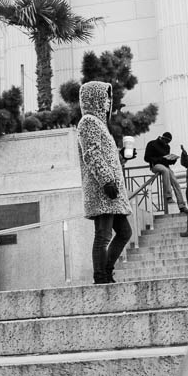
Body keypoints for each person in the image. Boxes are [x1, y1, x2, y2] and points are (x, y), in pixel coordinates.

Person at [77, 81, 132, 284]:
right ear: (94, 99)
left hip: (111, 192)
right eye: (106, 98)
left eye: (110, 99)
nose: (109, 103)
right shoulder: (88, 122)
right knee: (103, 235)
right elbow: (91, 154)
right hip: (103, 190)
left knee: (124, 232)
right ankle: (100, 276)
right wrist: (106, 180)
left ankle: (106, 271)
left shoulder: (100, 125)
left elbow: (106, 156)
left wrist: (123, 157)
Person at [144, 132, 187, 212]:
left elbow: (167, 160)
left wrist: (172, 160)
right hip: (155, 165)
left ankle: (182, 205)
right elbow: (146, 158)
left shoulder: (167, 147)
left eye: (168, 142)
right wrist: (160, 159)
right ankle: (168, 196)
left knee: (176, 182)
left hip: (165, 165)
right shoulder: (152, 144)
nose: (167, 143)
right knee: (165, 170)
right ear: (162, 138)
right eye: (166, 141)